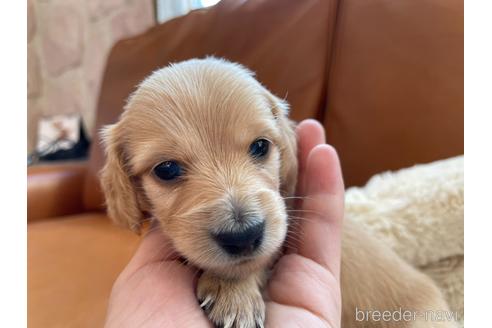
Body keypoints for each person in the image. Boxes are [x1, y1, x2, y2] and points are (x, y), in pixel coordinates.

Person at [105, 119, 344, 328]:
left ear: (285, 147)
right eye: (169, 170)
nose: (240, 229)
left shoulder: (308, 231)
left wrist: (238, 280)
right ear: (128, 182)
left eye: (259, 148)